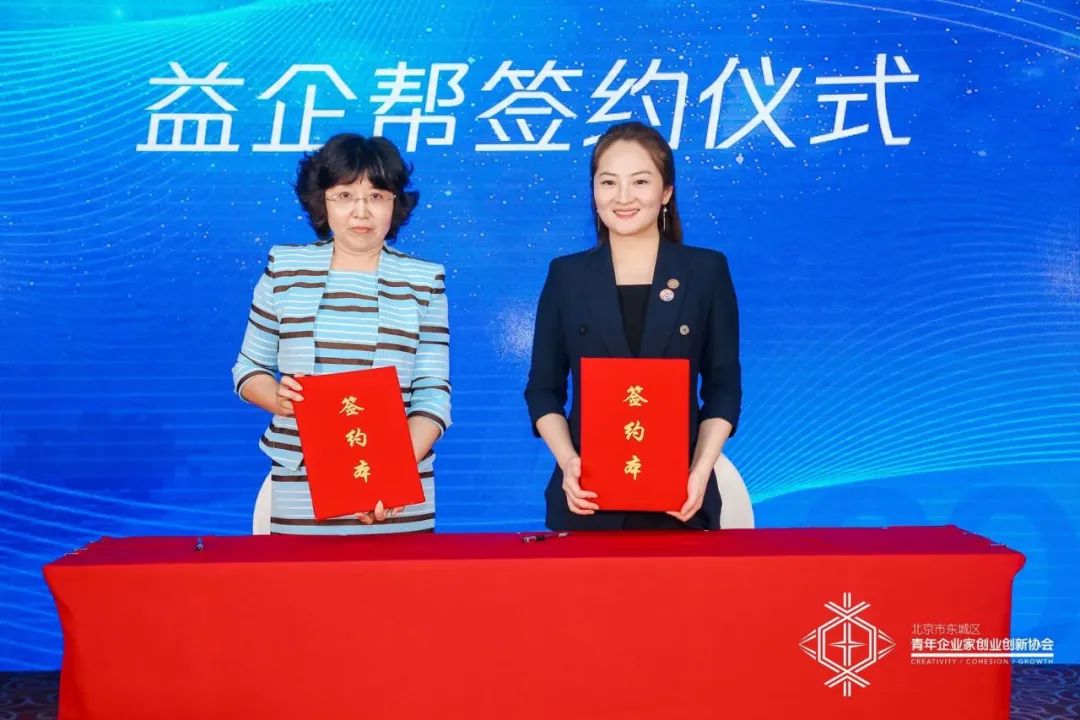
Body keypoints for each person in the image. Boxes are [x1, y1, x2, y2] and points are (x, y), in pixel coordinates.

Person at [525, 121, 741, 531]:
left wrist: (699, 471)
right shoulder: (566, 276)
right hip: (586, 503)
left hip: (682, 503)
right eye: (608, 182)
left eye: (640, 181)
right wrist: (569, 463)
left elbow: (724, 390)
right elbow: (543, 390)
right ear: (594, 191)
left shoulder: (705, 272)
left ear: (666, 192)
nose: (623, 197)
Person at [232, 133, 450, 534]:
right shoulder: (285, 269)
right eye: (345, 195)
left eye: (377, 196)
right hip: (302, 484)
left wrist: (390, 475)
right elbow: (248, 370)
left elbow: (433, 393)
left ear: (395, 203)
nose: (361, 211)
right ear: (323, 201)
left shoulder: (425, 281)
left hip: (396, 493)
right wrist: (278, 399)